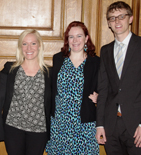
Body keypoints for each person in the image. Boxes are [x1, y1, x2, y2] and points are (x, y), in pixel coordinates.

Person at [46, 21, 100, 154]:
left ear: (86, 38)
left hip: (84, 124)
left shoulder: (96, 62)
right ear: (67, 40)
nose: (75, 40)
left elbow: (106, 86)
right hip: (59, 123)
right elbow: (51, 88)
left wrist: (100, 96)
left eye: (79, 36)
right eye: (71, 37)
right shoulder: (58, 59)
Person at [96, 1, 141, 154]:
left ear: (130, 19)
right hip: (111, 126)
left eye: (121, 16)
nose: (117, 21)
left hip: (136, 127)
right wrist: (100, 125)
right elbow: (103, 89)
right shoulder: (106, 51)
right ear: (108, 23)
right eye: (112, 18)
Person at [1, 29, 51, 155]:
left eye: (33, 43)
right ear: (20, 47)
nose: (29, 47)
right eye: (24, 44)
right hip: (13, 128)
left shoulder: (50, 72)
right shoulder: (10, 69)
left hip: (39, 130)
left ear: (39, 46)